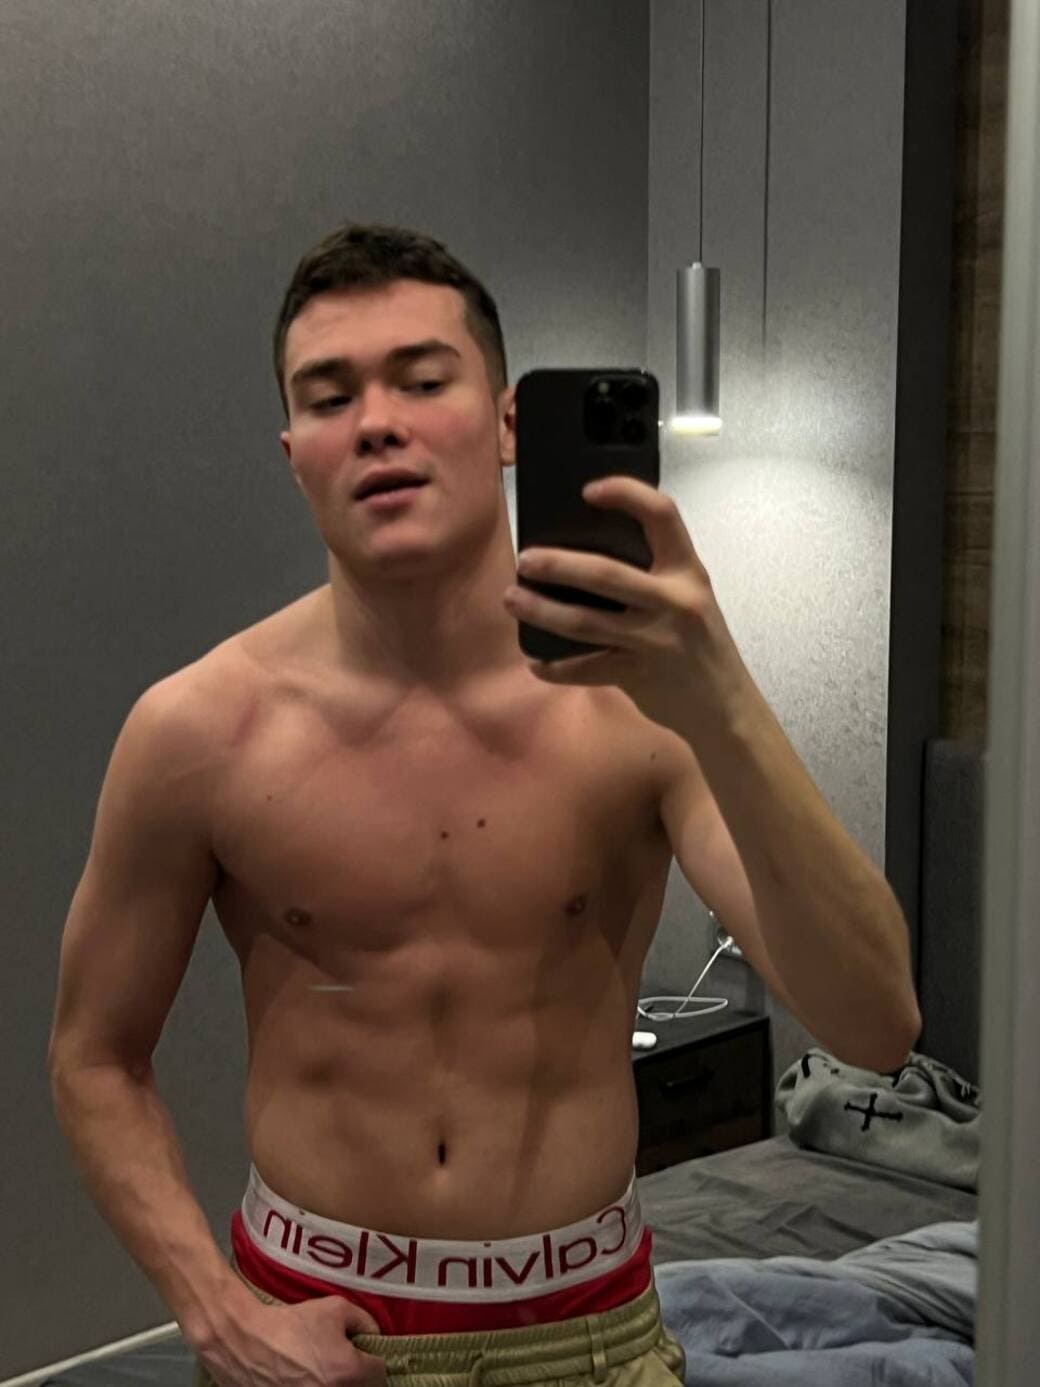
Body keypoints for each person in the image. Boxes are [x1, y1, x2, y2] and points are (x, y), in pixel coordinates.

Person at [48, 221, 921, 1387]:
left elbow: (874, 1026)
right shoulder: (199, 728)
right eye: (330, 396)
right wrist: (216, 1315)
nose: (377, 422)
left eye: (422, 379)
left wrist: (720, 693)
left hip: (587, 1336)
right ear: (295, 451)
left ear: (507, 421)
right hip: (313, 1333)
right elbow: (94, 1056)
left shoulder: (645, 708)